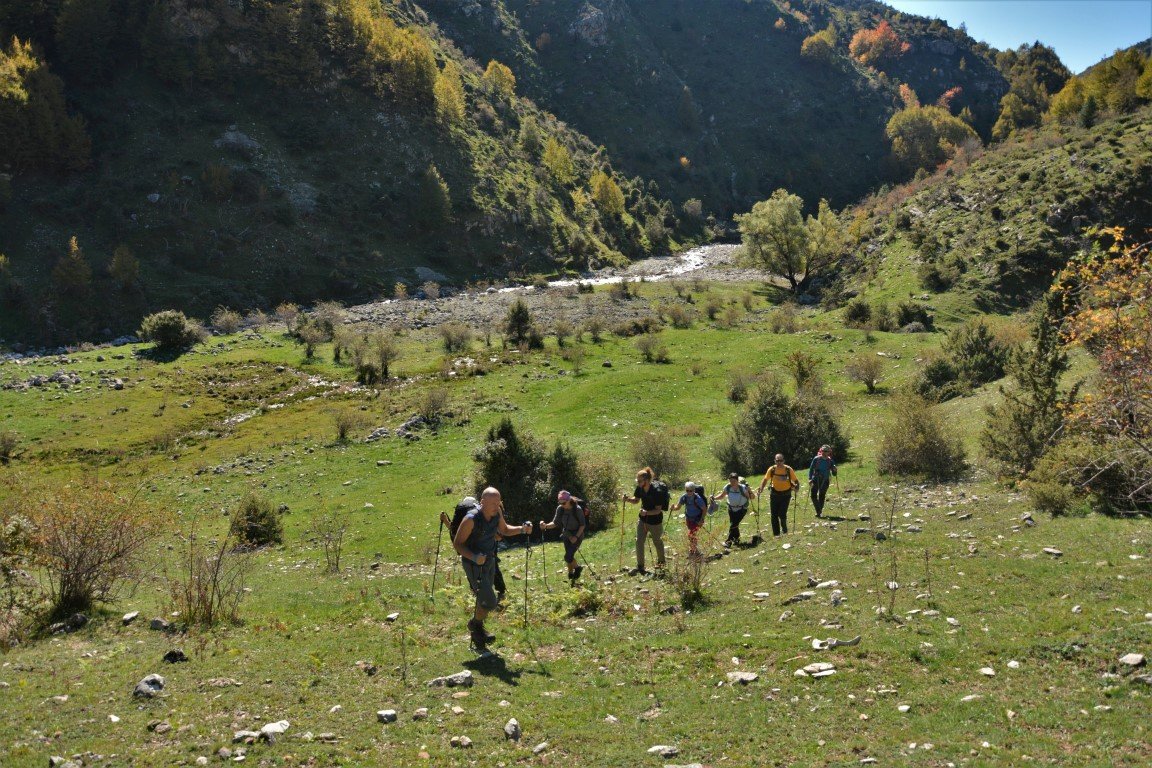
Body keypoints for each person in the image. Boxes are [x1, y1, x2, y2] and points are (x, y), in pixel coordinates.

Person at [452, 487, 532, 651]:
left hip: (489, 561)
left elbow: (504, 530)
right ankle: (475, 625)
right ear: (482, 502)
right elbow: (457, 544)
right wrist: (474, 557)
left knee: (485, 598)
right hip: (474, 564)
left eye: (498, 502)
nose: (497, 506)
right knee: (489, 601)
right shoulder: (471, 519)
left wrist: (523, 529)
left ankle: (478, 631)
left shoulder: (497, 514)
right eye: (493, 503)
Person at [445, 497, 506, 601]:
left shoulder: (464, 513)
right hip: (488, 542)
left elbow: (453, 530)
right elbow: (497, 532)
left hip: (470, 545)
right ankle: (500, 591)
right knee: (493, 565)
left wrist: (445, 520)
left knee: (472, 566)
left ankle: (476, 592)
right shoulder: (480, 511)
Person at [621, 467, 667, 575]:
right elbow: (636, 500)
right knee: (639, 541)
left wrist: (646, 512)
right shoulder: (640, 488)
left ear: (646, 480)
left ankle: (662, 563)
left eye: (640, 481)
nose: (638, 483)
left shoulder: (657, 491)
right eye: (637, 480)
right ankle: (640, 566)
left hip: (655, 521)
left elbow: (658, 510)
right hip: (643, 520)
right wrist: (627, 499)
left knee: (657, 542)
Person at [540, 490, 587, 584]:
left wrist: (576, 537)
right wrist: (545, 526)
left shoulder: (577, 509)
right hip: (566, 534)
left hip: (577, 534)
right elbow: (555, 523)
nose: (562, 505)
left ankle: (578, 568)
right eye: (560, 503)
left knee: (568, 556)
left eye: (564, 503)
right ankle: (570, 573)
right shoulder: (560, 509)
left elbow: (582, 525)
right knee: (569, 556)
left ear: (569, 500)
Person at [757, 454, 798, 536]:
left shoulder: (788, 469)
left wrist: (797, 487)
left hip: (786, 495)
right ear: (775, 461)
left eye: (781, 460)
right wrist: (761, 488)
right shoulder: (772, 469)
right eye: (777, 460)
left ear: (784, 460)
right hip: (774, 494)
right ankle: (776, 534)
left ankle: (784, 530)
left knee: (782, 514)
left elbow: (796, 480)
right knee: (774, 515)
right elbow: (765, 479)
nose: (779, 462)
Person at [712, 472, 755, 547]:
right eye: (730, 481)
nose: (732, 483)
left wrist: (750, 491)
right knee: (735, 525)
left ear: (737, 480)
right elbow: (722, 496)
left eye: (733, 481)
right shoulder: (728, 487)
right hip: (731, 509)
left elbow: (752, 497)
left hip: (742, 509)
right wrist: (714, 498)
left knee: (733, 525)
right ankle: (736, 539)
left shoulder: (742, 488)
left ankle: (728, 542)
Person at [670, 481, 707, 559]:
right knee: (692, 534)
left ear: (694, 490)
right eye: (687, 490)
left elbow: (704, 509)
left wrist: (701, 520)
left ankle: (694, 551)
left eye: (691, 490)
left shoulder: (698, 498)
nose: (689, 492)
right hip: (688, 518)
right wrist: (673, 508)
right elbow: (678, 507)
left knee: (691, 535)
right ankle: (694, 550)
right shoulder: (684, 497)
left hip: (697, 519)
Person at [808, 444, 838, 518]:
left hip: (825, 480)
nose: (824, 452)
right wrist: (810, 479)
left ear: (829, 452)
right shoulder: (816, 459)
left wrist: (834, 470)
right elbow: (811, 469)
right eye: (823, 451)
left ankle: (819, 512)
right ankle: (819, 511)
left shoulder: (830, 461)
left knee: (822, 496)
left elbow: (834, 474)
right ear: (821, 451)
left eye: (826, 451)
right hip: (815, 479)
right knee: (813, 496)